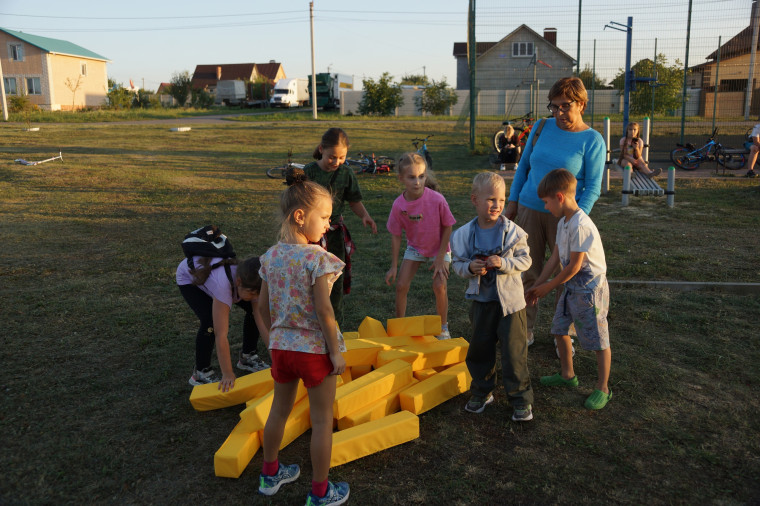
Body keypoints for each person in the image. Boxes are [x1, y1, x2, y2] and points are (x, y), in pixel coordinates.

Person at [257, 168, 349, 505]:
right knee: (322, 420)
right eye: (323, 217)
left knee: (278, 412)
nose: (328, 224)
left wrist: (272, 339)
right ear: (300, 217)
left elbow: (262, 308)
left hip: (281, 348)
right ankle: (321, 493)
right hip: (314, 352)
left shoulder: (270, 257)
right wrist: (335, 353)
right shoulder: (318, 259)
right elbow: (326, 313)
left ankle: (270, 475)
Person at [505, 76, 605, 348]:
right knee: (526, 271)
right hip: (528, 210)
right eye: (554, 106)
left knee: (566, 277)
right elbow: (523, 168)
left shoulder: (592, 140)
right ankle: (525, 330)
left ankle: (565, 335)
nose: (559, 113)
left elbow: (593, 187)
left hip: (564, 218)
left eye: (565, 106)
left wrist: (575, 219)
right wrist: (513, 202)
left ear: (582, 104)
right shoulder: (540, 128)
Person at [525, 169, 612, 410]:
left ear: (560, 197)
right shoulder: (563, 222)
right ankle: (567, 375)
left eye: (546, 202)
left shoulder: (581, 224)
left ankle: (603, 387)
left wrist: (549, 287)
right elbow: (554, 257)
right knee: (559, 330)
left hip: (589, 291)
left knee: (598, 339)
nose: (545, 207)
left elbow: (574, 266)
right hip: (571, 288)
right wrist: (537, 284)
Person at [451, 172, 534, 421]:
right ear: (474, 200)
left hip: (511, 306)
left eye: (501, 199)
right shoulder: (464, 234)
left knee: (514, 352)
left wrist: (505, 262)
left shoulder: (514, 232)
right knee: (480, 350)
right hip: (482, 303)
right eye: (490, 200)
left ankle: (520, 399)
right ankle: (482, 391)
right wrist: (469, 269)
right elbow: (457, 263)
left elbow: (526, 260)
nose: (497, 205)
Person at [304, 127, 378, 326]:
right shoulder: (308, 172)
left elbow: (353, 201)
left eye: (341, 157)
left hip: (335, 235)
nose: (336, 162)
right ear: (321, 149)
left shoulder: (346, 173)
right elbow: (297, 203)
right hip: (310, 237)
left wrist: (366, 216)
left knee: (334, 280)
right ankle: (311, 323)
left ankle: (334, 326)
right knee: (310, 279)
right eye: (331, 157)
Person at [385, 152, 456, 339]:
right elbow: (395, 235)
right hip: (415, 247)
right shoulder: (398, 205)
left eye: (421, 176)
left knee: (439, 285)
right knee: (400, 285)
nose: (417, 182)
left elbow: (448, 226)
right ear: (401, 179)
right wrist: (393, 266)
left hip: (439, 247)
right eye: (411, 177)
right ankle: (399, 327)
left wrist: (441, 257)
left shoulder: (437, 199)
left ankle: (443, 327)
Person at [176, 256, 270, 392]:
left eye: (258, 295)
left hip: (218, 278)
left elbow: (260, 320)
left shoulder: (253, 283)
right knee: (210, 323)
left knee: (254, 311)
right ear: (238, 282)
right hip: (190, 279)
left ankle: (248, 356)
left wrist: (276, 358)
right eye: (252, 294)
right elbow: (221, 335)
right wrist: (227, 373)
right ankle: (201, 373)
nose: (255, 298)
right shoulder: (223, 288)